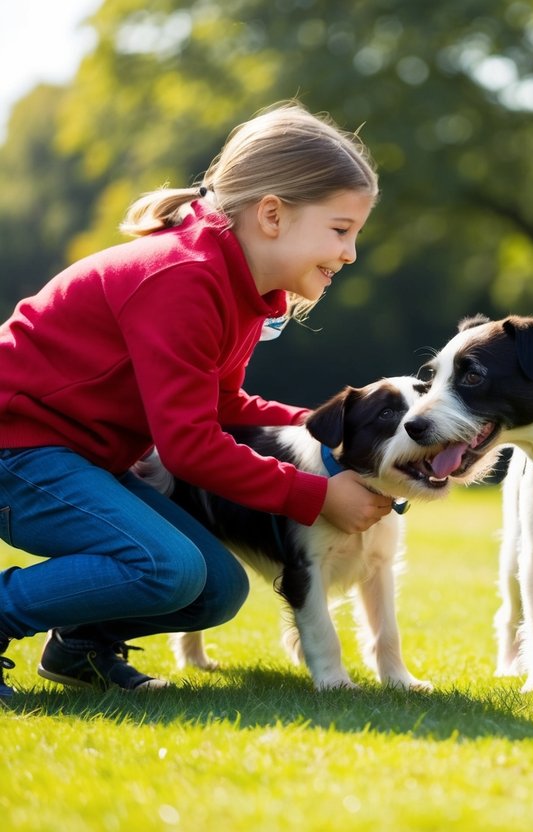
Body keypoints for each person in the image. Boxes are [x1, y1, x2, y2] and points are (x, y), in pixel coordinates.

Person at [0, 102, 393, 701]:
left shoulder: (238, 288)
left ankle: (80, 646)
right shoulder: (183, 277)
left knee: (215, 588)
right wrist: (316, 495)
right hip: (17, 449)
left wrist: (329, 430)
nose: (350, 253)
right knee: (169, 568)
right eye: (341, 230)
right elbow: (188, 446)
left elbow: (223, 406)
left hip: (72, 459)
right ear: (272, 215)